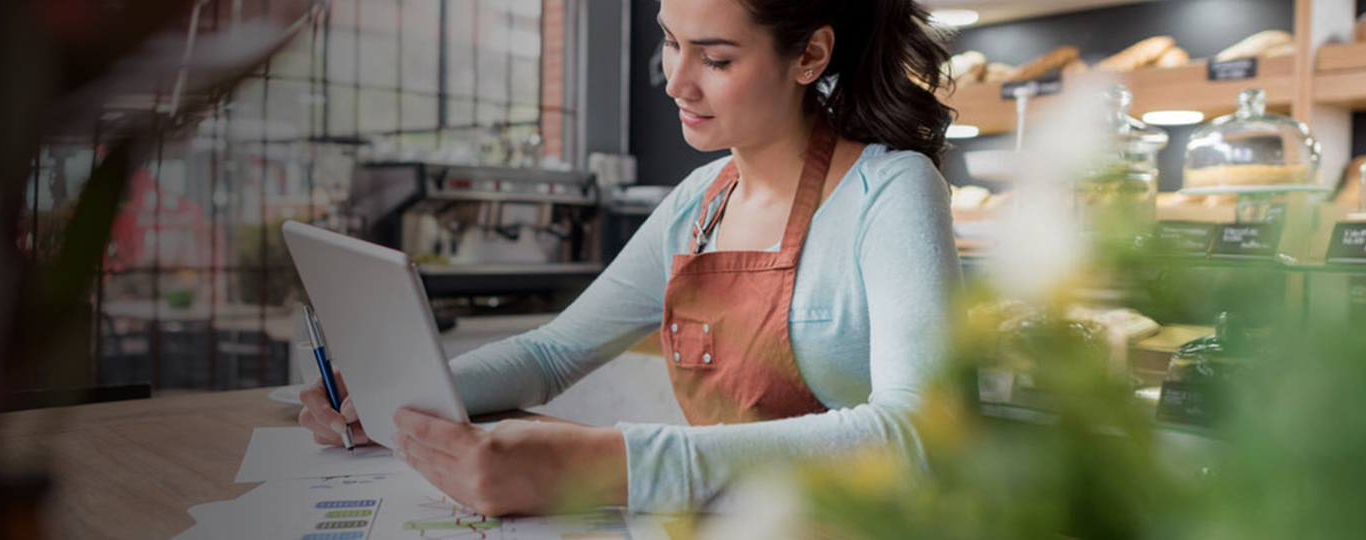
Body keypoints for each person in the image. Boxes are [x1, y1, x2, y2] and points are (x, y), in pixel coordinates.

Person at [300, 0, 961, 516]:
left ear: (810, 55)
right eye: (669, 41)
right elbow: (551, 353)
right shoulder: (697, 202)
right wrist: (392, 398)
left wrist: (603, 462)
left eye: (716, 59)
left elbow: (915, 437)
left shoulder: (891, 191)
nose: (675, 82)